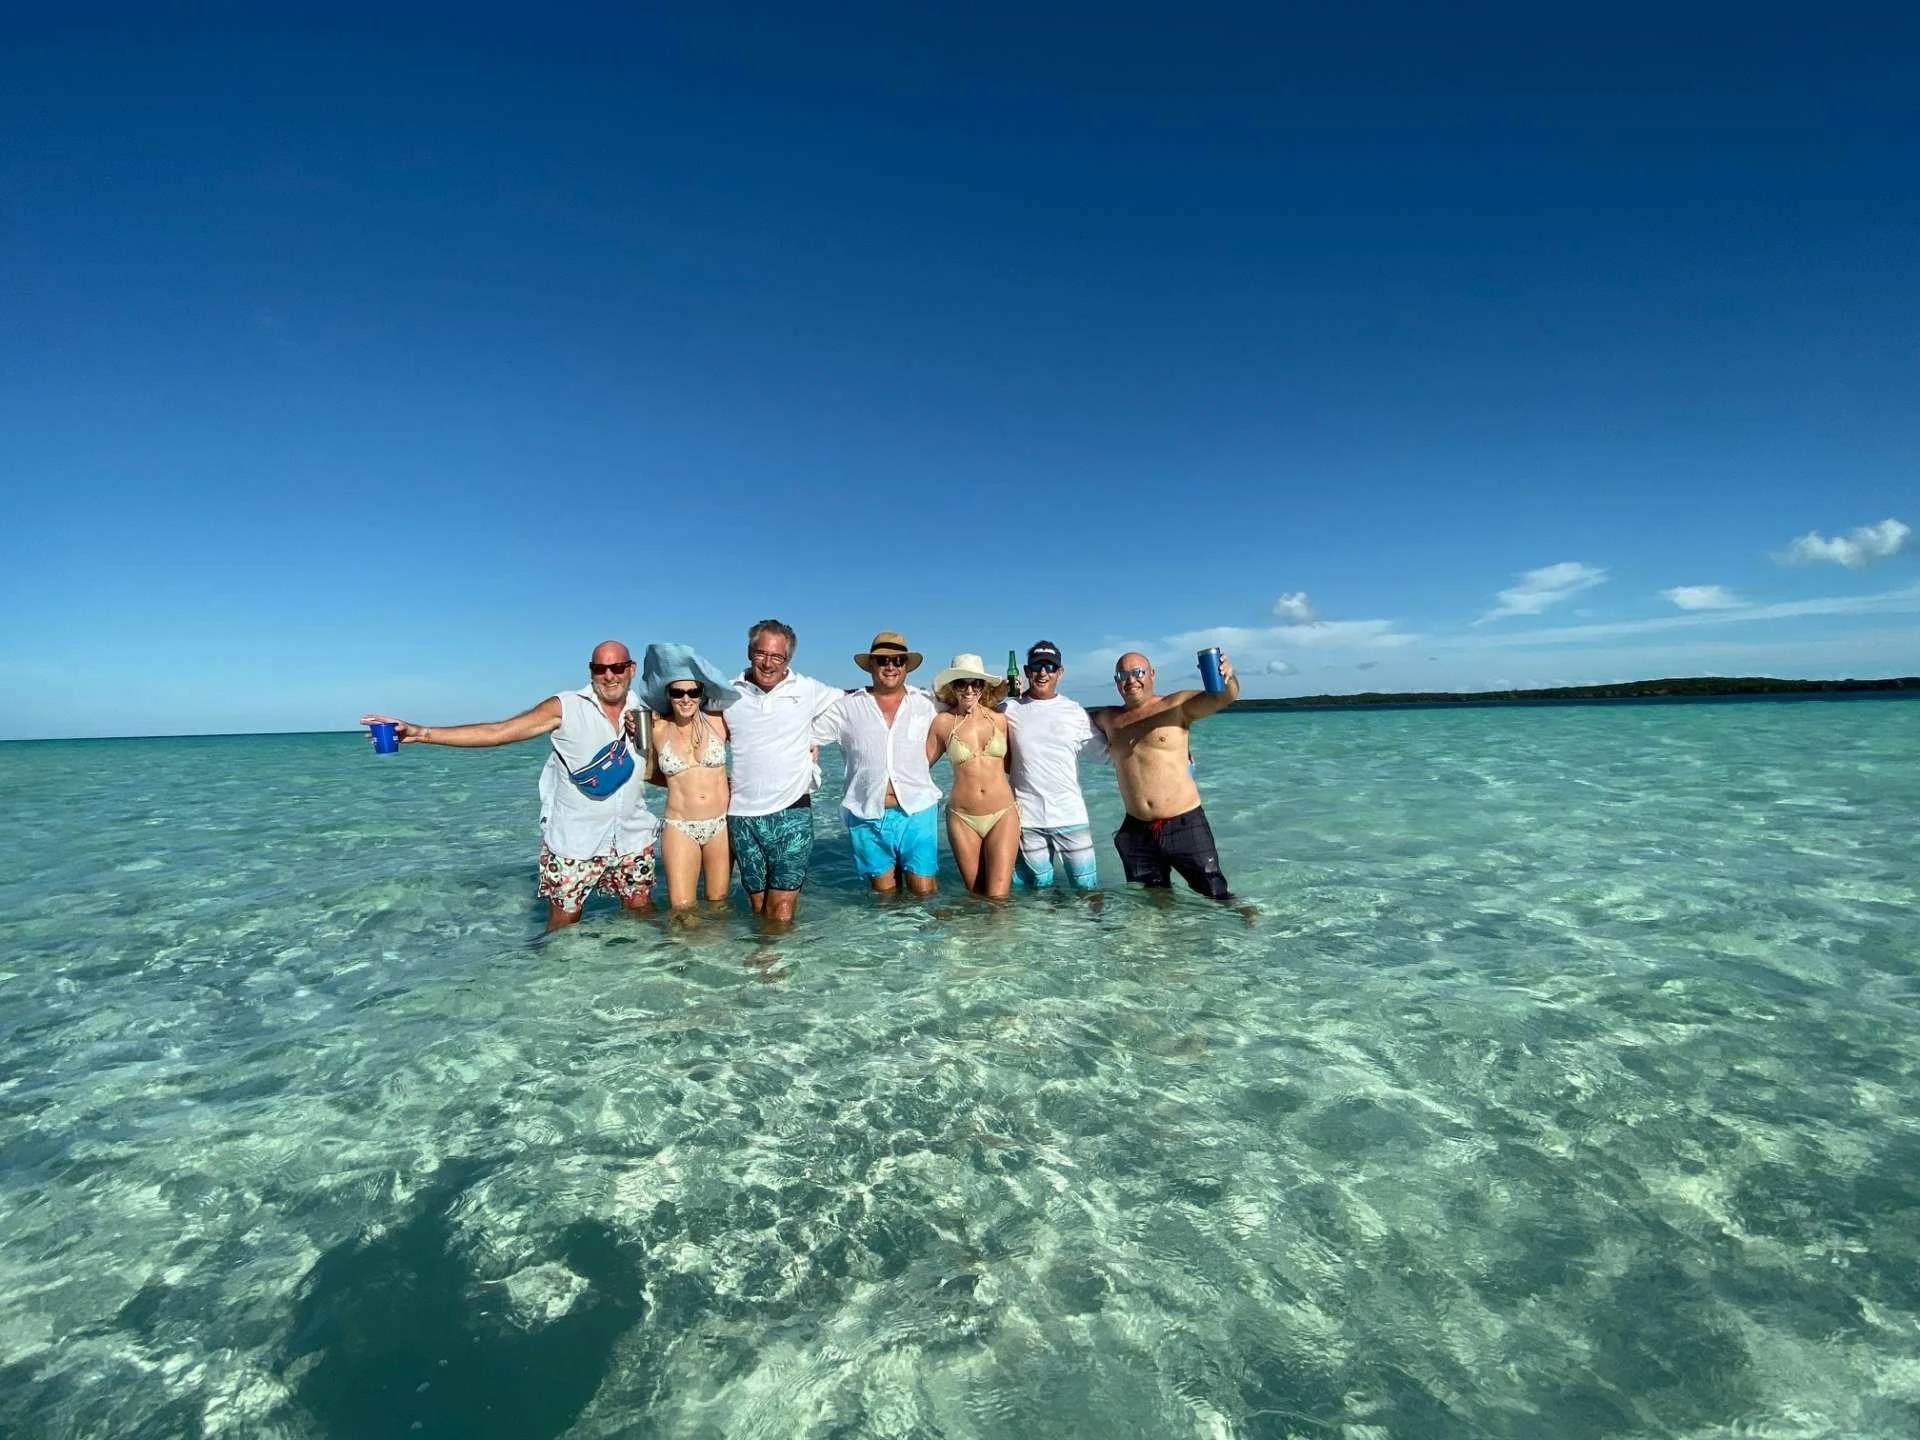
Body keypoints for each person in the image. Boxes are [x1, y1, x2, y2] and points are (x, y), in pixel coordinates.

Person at [359, 641, 658, 930]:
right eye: (599, 668)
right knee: (564, 923)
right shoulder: (565, 707)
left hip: (633, 836)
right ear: (590, 670)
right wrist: (421, 733)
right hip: (575, 841)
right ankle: (552, 978)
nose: (608, 676)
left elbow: (671, 766)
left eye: (617, 668)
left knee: (641, 911)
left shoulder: (647, 711)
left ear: (631, 669)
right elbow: (498, 732)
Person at [1088, 649, 1241, 902]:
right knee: (1153, 903)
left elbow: (1223, 697)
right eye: (1122, 675)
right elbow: (1064, 718)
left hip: (1184, 823)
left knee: (1216, 895)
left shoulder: (1175, 706)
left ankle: (1245, 927)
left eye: (1138, 672)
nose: (1131, 680)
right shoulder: (1109, 718)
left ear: (1152, 675)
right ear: (1116, 681)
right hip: (1136, 829)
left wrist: (1228, 677)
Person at [723, 620, 845, 926]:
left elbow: (854, 705)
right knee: (758, 909)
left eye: (777, 657)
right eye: (761, 653)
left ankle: (779, 972)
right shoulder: (726, 693)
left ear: (788, 659)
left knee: (781, 913)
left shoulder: (807, 688)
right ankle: (759, 969)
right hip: (742, 816)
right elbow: (690, 720)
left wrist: (815, 736)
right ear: (749, 652)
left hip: (793, 813)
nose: (768, 663)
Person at [818, 631, 941, 896]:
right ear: (871, 665)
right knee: (883, 899)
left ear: (906, 666)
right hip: (866, 813)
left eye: (898, 660)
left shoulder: (926, 704)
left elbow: (962, 718)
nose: (890, 666)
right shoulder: (846, 707)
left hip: (917, 810)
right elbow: (805, 736)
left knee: (924, 893)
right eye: (883, 660)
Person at [640, 642, 738, 911]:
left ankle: (716, 955)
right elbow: (648, 774)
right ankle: (684, 955)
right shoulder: (656, 728)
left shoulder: (719, 721)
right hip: (680, 826)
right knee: (682, 910)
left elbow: (761, 738)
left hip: (720, 825)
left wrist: (810, 744)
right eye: (678, 692)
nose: (686, 699)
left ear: (701, 694)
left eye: (693, 692)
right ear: (668, 695)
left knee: (719, 905)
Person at [1002, 640, 1103, 891]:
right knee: (1037, 893)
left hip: (1071, 816)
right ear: (1026, 671)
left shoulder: (1075, 712)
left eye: (1050, 666)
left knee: (1087, 890)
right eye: (1037, 666)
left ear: (1060, 672)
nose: (1043, 672)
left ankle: (1093, 931)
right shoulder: (1008, 709)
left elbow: (1107, 755)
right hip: (1027, 819)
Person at [927, 653, 1019, 897]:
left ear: (983, 686)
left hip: (1003, 814)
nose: (969, 689)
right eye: (961, 683)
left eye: (975, 683)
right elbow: (916, 767)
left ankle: (1004, 937)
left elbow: (1015, 764)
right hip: (962, 818)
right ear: (952, 687)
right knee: (976, 897)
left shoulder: (1000, 720)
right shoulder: (943, 723)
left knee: (998, 899)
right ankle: (973, 938)